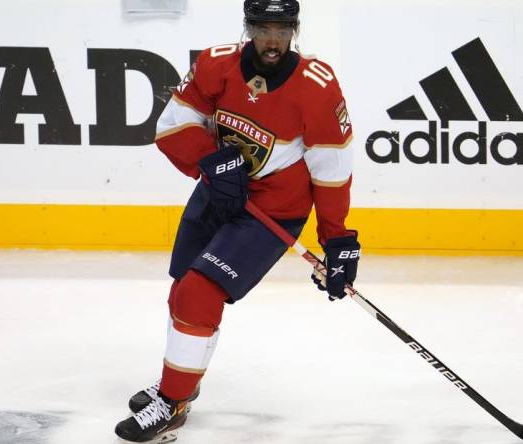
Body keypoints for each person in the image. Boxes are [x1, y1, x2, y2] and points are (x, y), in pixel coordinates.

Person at [114, 0, 360, 442]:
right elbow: (174, 123)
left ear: (294, 31)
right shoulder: (216, 63)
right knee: (183, 291)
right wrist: (212, 161)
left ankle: (170, 404)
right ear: (248, 28)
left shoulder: (316, 87)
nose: (272, 40)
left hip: (274, 211)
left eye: (282, 30)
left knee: (198, 290)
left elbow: (332, 169)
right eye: (263, 29)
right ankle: (181, 387)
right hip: (218, 194)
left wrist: (338, 240)